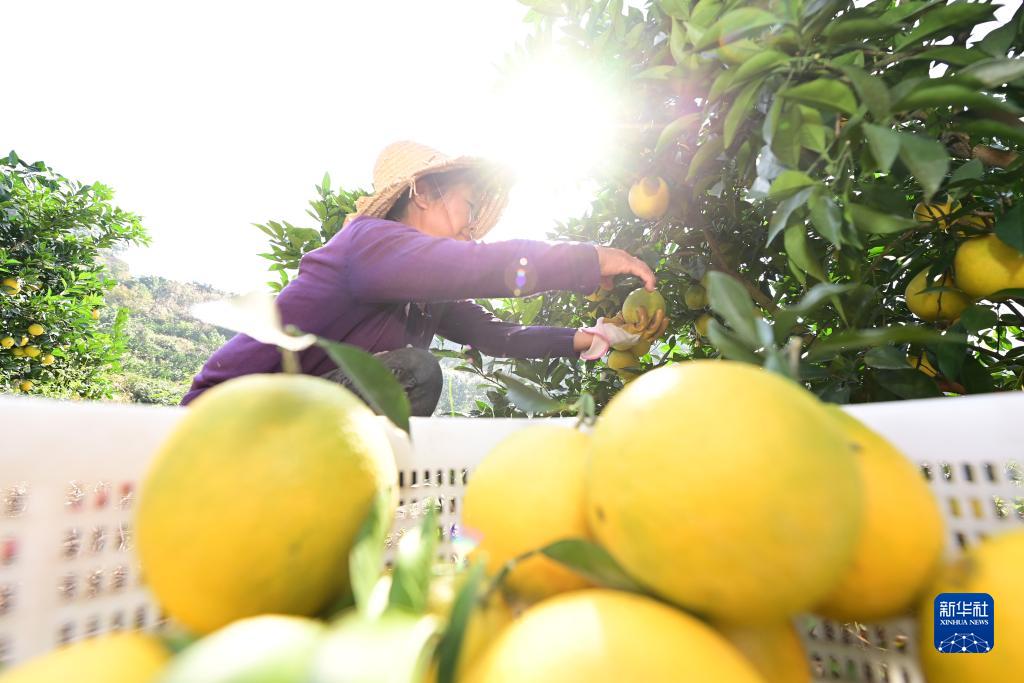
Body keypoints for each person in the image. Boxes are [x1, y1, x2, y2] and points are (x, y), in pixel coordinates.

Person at [181, 141, 666, 414]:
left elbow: (499, 336)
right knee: (412, 372)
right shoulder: (369, 244)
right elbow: (482, 266)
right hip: (226, 415)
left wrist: (594, 336)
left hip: (287, 422)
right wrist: (589, 260)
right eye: (469, 207)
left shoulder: (423, 292)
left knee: (408, 371)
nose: (473, 227)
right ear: (425, 192)